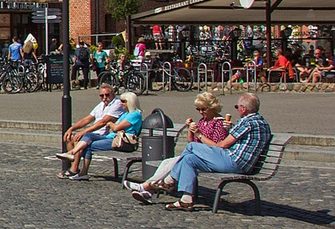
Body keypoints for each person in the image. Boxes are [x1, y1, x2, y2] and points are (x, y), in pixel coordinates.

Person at [131, 93, 272, 210]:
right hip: (240, 162)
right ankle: (186, 199)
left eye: (237, 107)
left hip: (234, 162)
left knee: (192, 148)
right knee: (189, 159)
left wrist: (199, 135)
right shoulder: (262, 122)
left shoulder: (247, 122)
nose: (237, 109)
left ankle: (169, 180)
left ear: (243, 109)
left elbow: (222, 145)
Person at [126, 90, 230, 198]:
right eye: (198, 109)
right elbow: (191, 143)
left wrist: (199, 135)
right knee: (167, 162)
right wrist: (191, 129)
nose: (200, 112)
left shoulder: (219, 124)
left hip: (209, 158)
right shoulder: (203, 121)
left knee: (176, 162)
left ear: (212, 107)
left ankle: (146, 186)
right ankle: (148, 191)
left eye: (203, 109)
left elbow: (218, 146)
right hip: (197, 155)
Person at [58, 92, 142, 178]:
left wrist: (111, 124)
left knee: (87, 145)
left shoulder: (135, 115)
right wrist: (113, 126)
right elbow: (113, 127)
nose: (121, 103)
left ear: (130, 102)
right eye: (121, 101)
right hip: (111, 137)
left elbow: (115, 127)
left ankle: (81, 169)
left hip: (121, 141)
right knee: (88, 135)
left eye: (124, 101)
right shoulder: (126, 114)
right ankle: (73, 154)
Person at [60, 83, 124, 151]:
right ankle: (71, 159)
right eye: (102, 96)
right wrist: (71, 129)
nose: (104, 97)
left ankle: (73, 155)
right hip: (94, 133)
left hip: (103, 135)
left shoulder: (117, 104)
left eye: (107, 95)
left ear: (112, 94)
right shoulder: (102, 104)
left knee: (78, 140)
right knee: (69, 137)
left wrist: (83, 132)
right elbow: (87, 119)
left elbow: (103, 122)